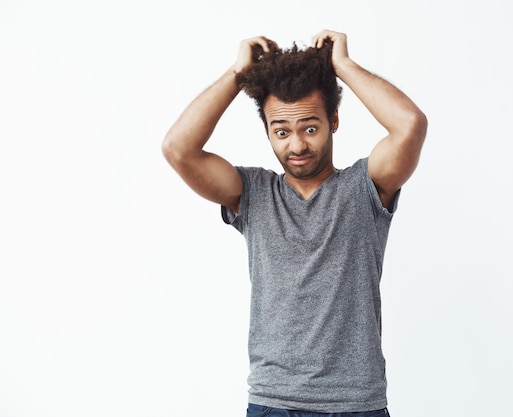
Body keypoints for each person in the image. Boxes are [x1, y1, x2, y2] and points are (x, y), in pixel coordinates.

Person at [162, 29, 427, 417]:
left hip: (356, 404)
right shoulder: (253, 193)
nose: (297, 145)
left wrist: (343, 66)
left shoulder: (364, 188)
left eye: (310, 127)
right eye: (281, 131)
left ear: (333, 120)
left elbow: (410, 125)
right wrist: (238, 75)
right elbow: (178, 149)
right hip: (274, 403)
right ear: (268, 131)